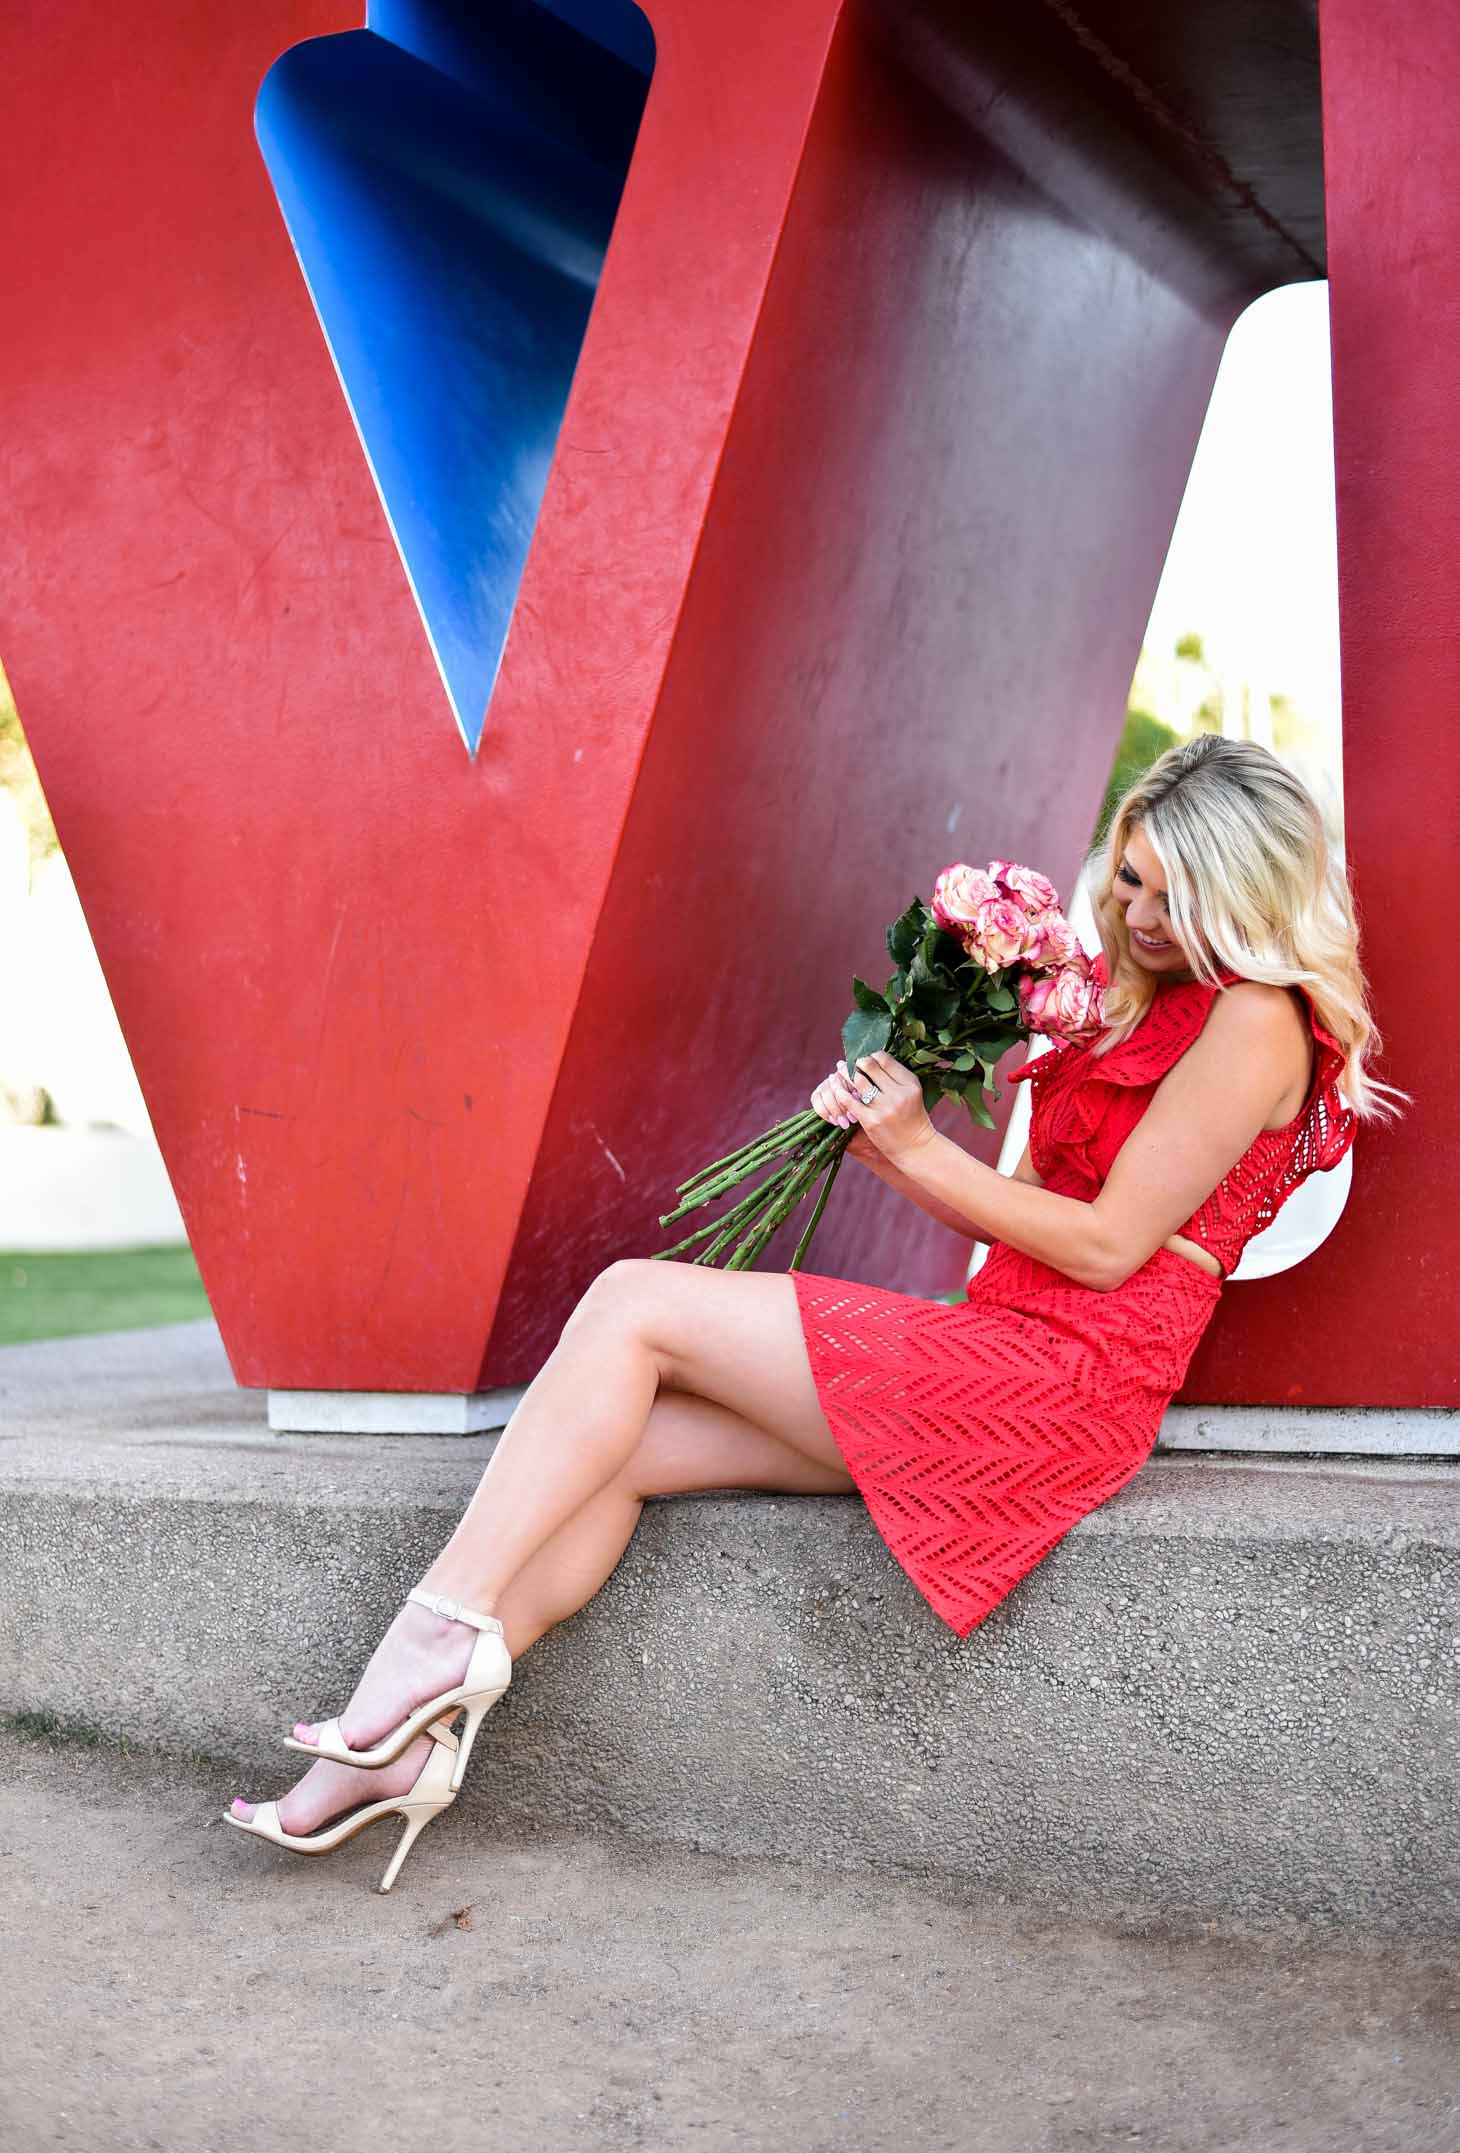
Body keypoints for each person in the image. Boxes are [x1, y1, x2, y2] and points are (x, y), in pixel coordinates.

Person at [227, 734, 1405, 1889]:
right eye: (1131, 879)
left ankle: (424, 1651)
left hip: (1061, 1385)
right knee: (622, 1445)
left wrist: (914, 1152)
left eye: (1172, 894)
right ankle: (403, 1746)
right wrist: (886, 1141)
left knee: (630, 1304)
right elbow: (1021, 1219)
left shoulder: (1253, 1020)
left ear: (1246, 893)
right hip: (1001, 1340)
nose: (1137, 916)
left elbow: (1103, 1253)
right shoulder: (1128, 1005)